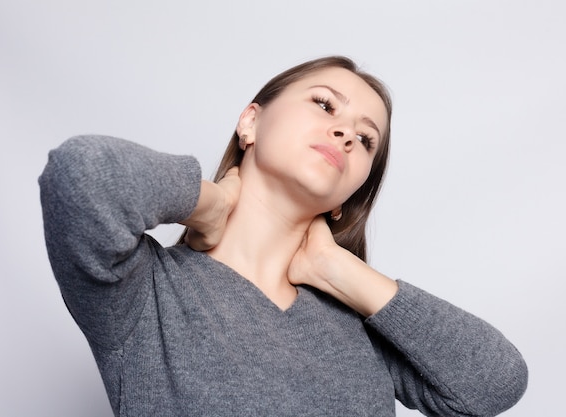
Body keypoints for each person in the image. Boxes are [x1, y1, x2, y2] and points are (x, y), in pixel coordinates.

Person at [39, 56, 527, 416]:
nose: (345, 135)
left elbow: (495, 383)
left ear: (347, 195)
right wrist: (211, 205)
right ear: (250, 122)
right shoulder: (144, 292)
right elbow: (81, 173)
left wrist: (339, 270)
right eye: (324, 104)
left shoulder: (356, 326)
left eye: (365, 139)